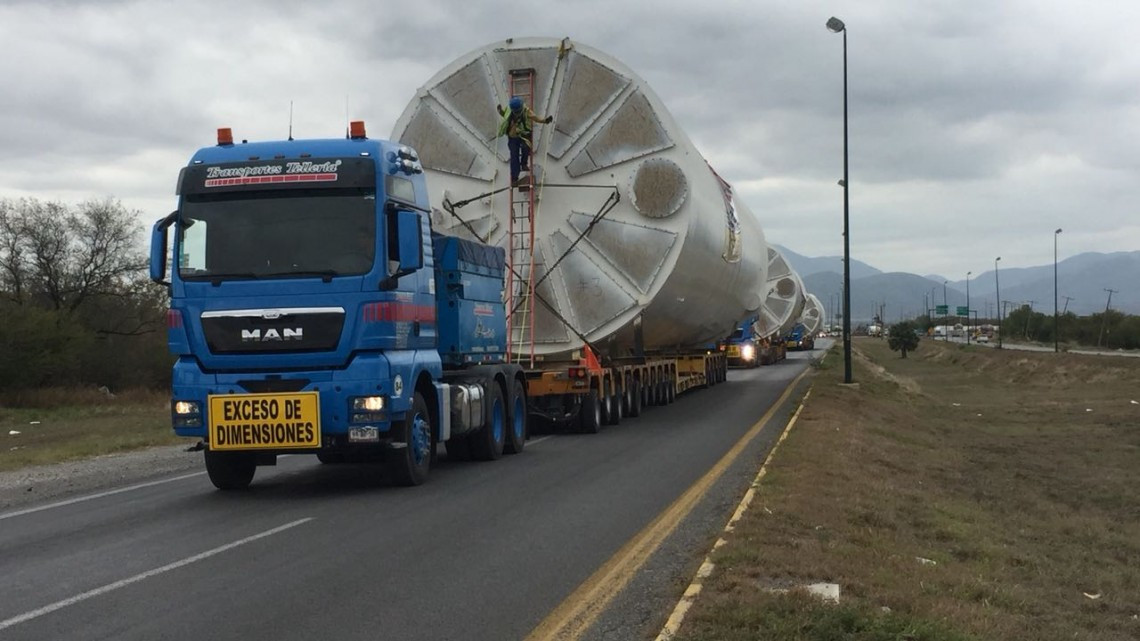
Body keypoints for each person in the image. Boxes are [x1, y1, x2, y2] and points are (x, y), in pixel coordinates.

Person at [497, 96, 553, 186]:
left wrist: (545, 121)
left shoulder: (525, 111)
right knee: (514, 156)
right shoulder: (510, 110)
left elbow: (535, 117)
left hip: (524, 134)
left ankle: (523, 164)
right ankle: (514, 178)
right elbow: (506, 115)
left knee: (525, 147)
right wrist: (500, 111)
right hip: (513, 136)